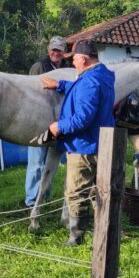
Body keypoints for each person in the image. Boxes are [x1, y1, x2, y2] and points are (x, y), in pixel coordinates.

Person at [40, 39, 115, 246]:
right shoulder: (102, 76)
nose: (72, 62)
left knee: (76, 192)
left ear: (83, 58)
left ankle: (76, 236)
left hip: (83, 146)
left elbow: (83, 118)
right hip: (100, 143)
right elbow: (84, 89)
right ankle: (104, 230)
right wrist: (61, 85)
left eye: (74, 59)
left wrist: (59, 127)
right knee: (95, 191)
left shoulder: (90, 81)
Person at [24, 36, 67, 207]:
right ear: (49, 50)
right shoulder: (39, 66)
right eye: (54, 49)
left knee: (51, 163)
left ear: (64, 52)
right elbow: (31, 91)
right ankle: (31, 200)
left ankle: (43, 198)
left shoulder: (67, 68)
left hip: (58, 122)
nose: (56, 52)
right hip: (39, 120)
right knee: (36, 163)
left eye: (59, 50)